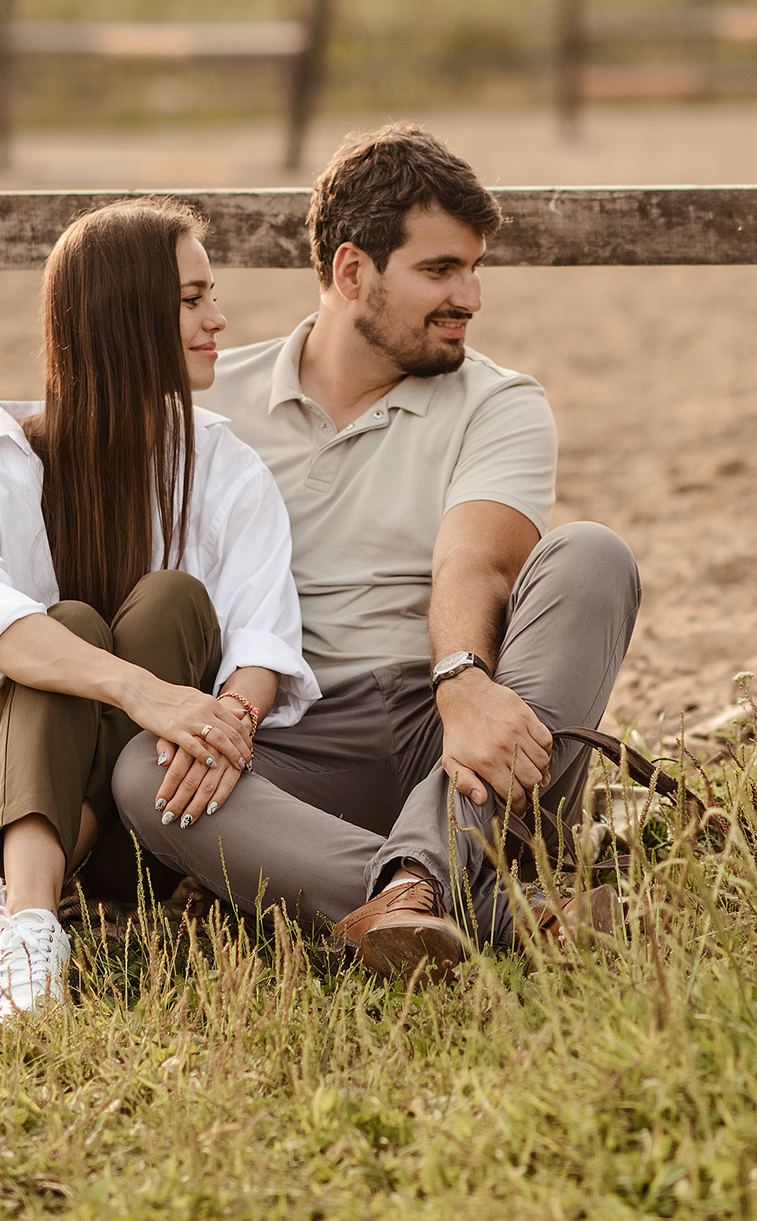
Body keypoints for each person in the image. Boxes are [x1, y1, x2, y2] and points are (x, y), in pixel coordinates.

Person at [115, 125, 640, 980]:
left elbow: (476, 559)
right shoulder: (212, 395)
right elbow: (56, 549)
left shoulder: (499, 402)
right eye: (440, 270)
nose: (469, 295)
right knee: (145, 769)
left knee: (591, 555)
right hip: (286, 742)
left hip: (450, 732)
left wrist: (464, 678)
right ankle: (468, 902)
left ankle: (418, 883)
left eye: (475, 269)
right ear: (353, 272)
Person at [0, 197, 313, 1020]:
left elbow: (263, 636)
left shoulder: (227, 468)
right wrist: (142, 693)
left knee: (173, 599)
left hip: (155, 809)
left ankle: (4, 916)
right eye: (191, 298)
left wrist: (230, 723)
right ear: (122, 313)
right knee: (57, 625)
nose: (218, 318)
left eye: (210, 295)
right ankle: (32, 925)